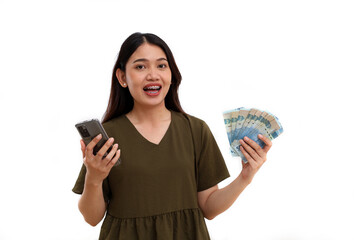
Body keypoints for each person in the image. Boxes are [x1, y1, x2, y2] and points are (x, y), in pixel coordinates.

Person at [72, 32, 272, 240]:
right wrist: (94, 179)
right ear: (122, 77)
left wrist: (245, 178)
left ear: (171, 74)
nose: (153, 75)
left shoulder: (195, 130)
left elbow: (209, 207)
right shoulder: (108, 137)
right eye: (140, 66)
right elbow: (92, 218)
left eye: (161, 65)